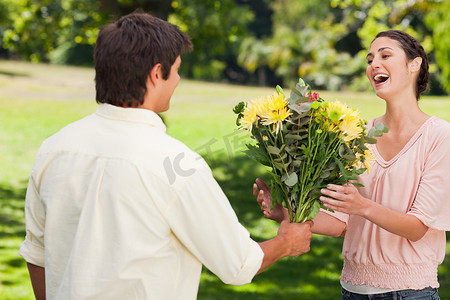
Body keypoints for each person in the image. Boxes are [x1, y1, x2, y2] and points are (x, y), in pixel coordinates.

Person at [19, 12, 313, 300]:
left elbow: (37, 253)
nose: (178, 79)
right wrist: (287, 242)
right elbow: (237, 264)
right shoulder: (177, 164)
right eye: (177, 70)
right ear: (157, 74)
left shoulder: (54, 148)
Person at [254, 30, 450, 299]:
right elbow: (340, 222)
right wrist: (284, 212)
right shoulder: (357, 134)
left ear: (414, 65)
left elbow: (418, 228)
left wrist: (363, 206)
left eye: (385, 55)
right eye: (370, 60)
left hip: (411, 293)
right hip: (352, 290)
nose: (374, 65)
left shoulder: (439, 136)